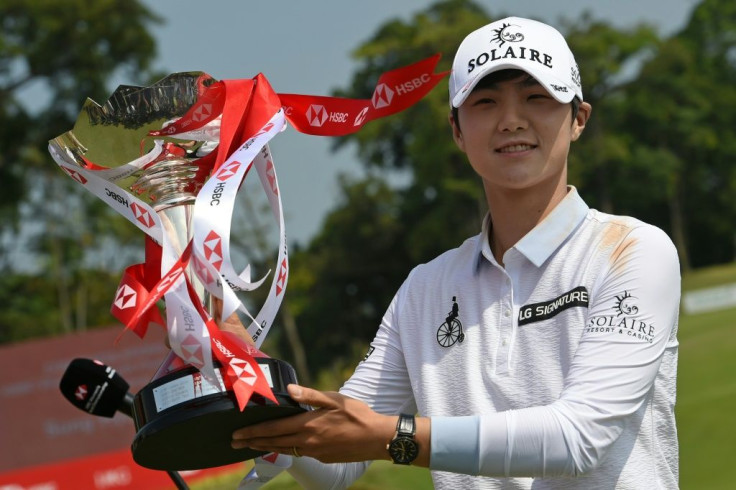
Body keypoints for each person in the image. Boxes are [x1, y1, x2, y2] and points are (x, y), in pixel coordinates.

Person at [231, 16, 681, 489]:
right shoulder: (424, 289)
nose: (511, 120)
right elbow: (339, 462)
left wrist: (394, 436)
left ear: (578, 119)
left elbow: (578, 438)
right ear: (457, 130)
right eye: (485, 102)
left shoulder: (633, 250)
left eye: (537, 97)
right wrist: (242, 369)